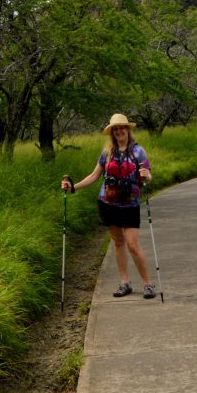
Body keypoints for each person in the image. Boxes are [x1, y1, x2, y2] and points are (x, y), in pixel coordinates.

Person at [60, 113, 156, 299]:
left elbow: (147, 177)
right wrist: (73, 187)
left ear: (127, 130)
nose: (119, 131)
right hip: (108, 202)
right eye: (116, 129)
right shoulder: (107, 153)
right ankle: (124, 282)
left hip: (130, 204)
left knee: (133, 245)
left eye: (122, 128)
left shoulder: (139, 152)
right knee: (118, 242)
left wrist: (147, 177)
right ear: (112, 132)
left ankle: (148, 284)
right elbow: (94, 176)